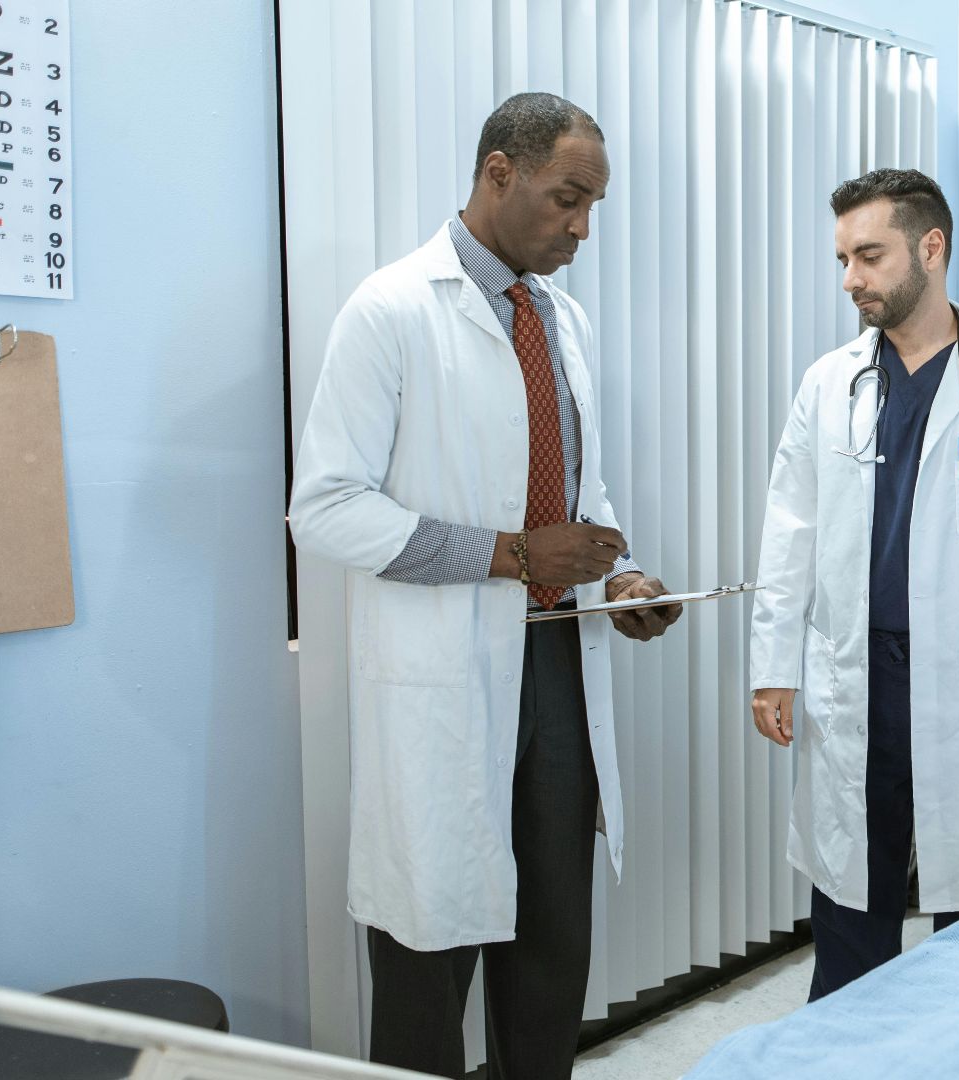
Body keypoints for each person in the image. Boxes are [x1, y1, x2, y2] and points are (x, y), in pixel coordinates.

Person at [289, 92, 681, 1078]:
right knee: (428, 970)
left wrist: (619, 574)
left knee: (550, 951)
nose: (583, 227)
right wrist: (511, 556)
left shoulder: (562, 321)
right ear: (498, 174)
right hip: (443, 683)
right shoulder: (388, 309)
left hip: (555, 664)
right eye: (566, 199)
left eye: (593, 204)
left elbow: (582, 491)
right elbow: (325, 508)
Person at [748, 168, 959, 1000]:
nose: (850, 279)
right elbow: (788, 528)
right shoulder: (830, 382)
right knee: (850, 899)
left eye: (869, 255)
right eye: (843, 257)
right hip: (854, 673)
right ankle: (839, 1050)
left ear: (930, 249)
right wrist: (774, 663)